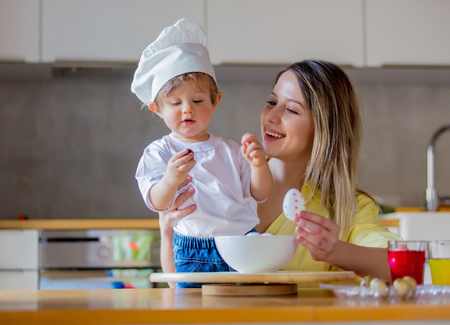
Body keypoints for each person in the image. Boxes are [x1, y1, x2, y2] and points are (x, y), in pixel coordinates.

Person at [159, 59, 403, 288]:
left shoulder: (347, 208)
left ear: (324, 129)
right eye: (272, 102)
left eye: (292, 110)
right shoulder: (224, 178)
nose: (271, 117)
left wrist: (334, 250)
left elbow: (402, 268)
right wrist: (168, 231)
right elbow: (182, 285)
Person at [131, 19, 272, 288]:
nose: (188, 109)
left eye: (197, 101)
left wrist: (259, 165)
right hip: (193, 250)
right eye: (175, 103)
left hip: (242, 243)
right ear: (157, 109)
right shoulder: (159, 152)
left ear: (215, 101)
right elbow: (158, 202)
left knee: (246, 311)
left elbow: (261, 193)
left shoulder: (230, 150)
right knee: (193, 311)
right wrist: (170, 179)